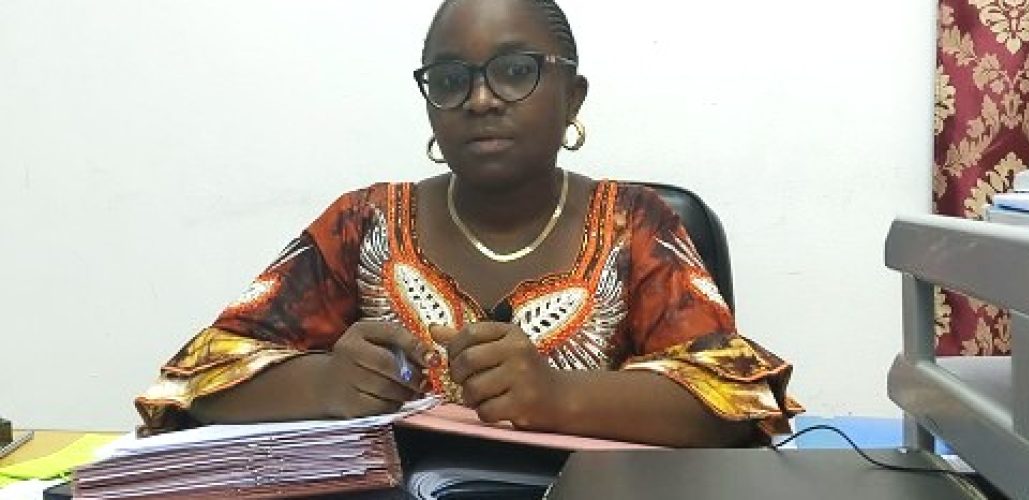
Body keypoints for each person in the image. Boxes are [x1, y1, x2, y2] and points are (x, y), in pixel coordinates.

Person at [135, 0, 802, 448]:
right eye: (451, 79)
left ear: (573, 96)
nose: (481, 99)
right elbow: (200, 378)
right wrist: (325, 383)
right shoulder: (362, 223)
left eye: (514, 71)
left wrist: (559, 397)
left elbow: (730, 402)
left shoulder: (637, 224)